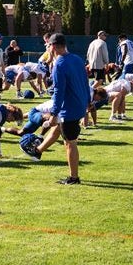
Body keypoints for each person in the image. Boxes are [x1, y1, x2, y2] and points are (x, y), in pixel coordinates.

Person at [49, 33, 89, 185]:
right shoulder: (77, 59)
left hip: (69, 108)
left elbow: (59, 91)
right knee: (70, 140)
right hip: (79, 104)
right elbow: (86, 81)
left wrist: (54, 112)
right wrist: (88, 102)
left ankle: (74, 177)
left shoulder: (59, 64)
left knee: (70, 143)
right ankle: (73, 175)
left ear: (53, 46)